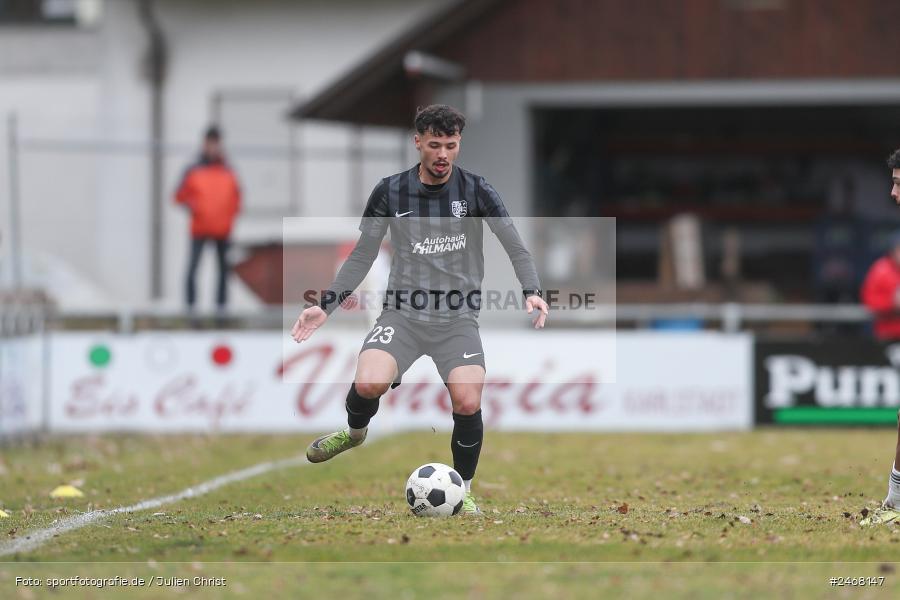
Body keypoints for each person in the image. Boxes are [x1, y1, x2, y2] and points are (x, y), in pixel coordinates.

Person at [290, 104, 549, 515]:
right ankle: (355, 434)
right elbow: (362, 255)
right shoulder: (390, 191)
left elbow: (514, 244)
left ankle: (463, 490)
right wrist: (326, 306)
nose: (443, 154)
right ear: (418, 143)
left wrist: (532, 289)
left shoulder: (476, 190)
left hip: (457, 319)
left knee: (468, 401)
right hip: (403, 316)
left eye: (451, 145)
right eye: (435, 145)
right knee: (369, 384)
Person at [860, 149, 900, 525]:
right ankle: (895, 501)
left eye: (898, 183)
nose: (892, 192)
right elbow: (873, 303)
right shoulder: (881, 269)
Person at [175, 126, 241, 315]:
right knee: (193, 268)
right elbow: (179, 195)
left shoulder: (228, 170)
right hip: (200, 228)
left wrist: (228, 217)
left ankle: (221, 312)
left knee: (223, 271)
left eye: (215, 143)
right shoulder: (193, 169)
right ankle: (191, 311)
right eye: (209, 143)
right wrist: (194, 206)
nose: (212, 147)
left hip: (222, 229)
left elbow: (237, 198)